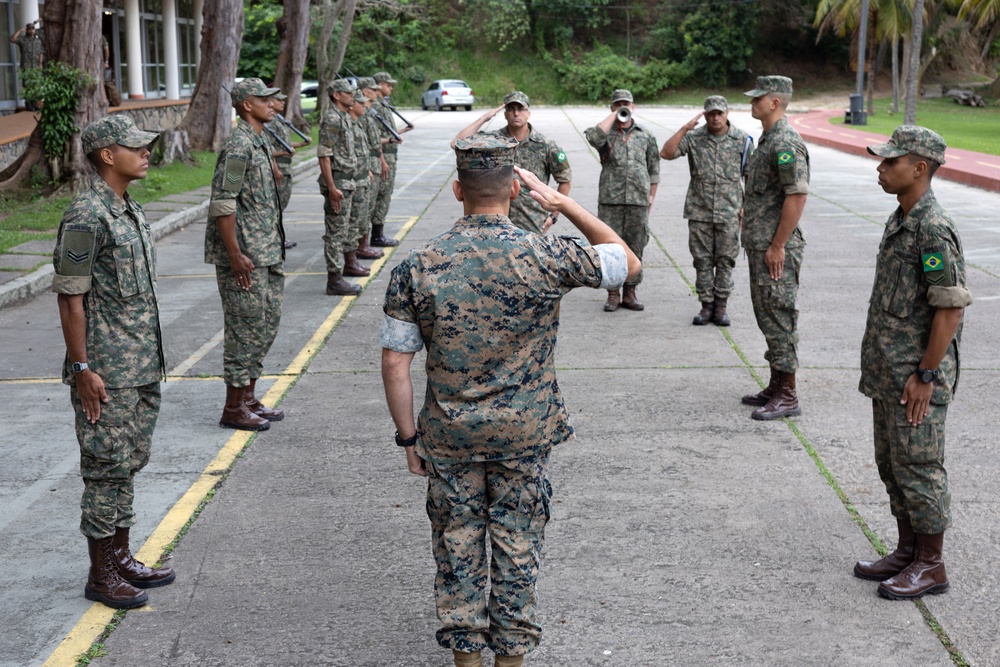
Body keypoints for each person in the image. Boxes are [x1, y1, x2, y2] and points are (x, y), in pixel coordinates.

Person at [379, 134, 640, 667]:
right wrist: (564, 204)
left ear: (458, 190)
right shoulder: (546, 254)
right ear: (517, 189)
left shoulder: (418, 265)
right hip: (525, 433)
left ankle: (468, 660)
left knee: (458, 546)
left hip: (448, 436)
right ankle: (512, 658)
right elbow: (626, 262)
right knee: (518, 546)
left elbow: (394, 362)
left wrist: (409, 438)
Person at [53, 114, 175, 610]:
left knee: (127, 464)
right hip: (106, 371)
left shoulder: (127, 208)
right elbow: (69, 299)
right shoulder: (87, 214)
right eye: (136, 147)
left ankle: (121, 556)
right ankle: (101, 574)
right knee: (104, 469)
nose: (146, 153)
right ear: (107, 155)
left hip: (141, 363)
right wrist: (83, 370)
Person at [853, 126, 971, 601]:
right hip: (890, 372)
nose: (880, 168)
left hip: (916, 377)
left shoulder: (931, 226)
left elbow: (950, 307)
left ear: (919, 168)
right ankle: (907, 550)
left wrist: (926, 374)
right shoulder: (901, 218)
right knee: (893, 465)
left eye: (889, 161)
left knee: (920, 467)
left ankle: (931, 564)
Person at [206, 78, 287, 431]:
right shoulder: (239, 146)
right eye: (263, 99)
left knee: (265, 325)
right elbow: (224, 204)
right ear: (245, 105)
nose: (272, 104)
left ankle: (249, 398)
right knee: (244, 329)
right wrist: (235, 255)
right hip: (246, 256)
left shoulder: (260, 140)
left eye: (272, 98)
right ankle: (233, 408)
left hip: (266, 249)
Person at [739, 75, 809, 420]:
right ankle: (776, 383)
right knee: (767, 314)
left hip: (775, 248)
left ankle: (788, 394)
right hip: (760, 244)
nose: (752, 103)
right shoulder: (768, 139)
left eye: (757, 98)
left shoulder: (785, 143)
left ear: (775, 102)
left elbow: (797, 194)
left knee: (780, 316)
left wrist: (778, 244)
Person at [660, 96, 753, 326]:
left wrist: (745, 208)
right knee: (702, 260)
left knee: (725, 260)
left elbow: (751, 176)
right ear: (705, 114)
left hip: (729, 211)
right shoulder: (694, 138)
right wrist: (684, 128)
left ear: (727, 113)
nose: (716, 117)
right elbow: (666, 153)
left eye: (720, 113)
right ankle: (706, 305)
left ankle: (721, 306)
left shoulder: (742, 140)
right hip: (699, 211)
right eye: (711, 113)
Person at [451, 91, 572, 234]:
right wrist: (484, 118)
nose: (516, 113)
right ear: (505, 113)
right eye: (511, 109)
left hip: (530, 223)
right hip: (493, 223)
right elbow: (457, 143)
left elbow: (565, 180)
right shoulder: (493, 140)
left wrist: (553, 215)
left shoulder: (545, 145)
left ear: (528, 113)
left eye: (520, 109)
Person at [584, 88, 660, 312]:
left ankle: (630, 292)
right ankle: (613, 293)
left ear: (634, 107)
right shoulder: (606, 133)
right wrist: (613, 117)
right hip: (611, 200)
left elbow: (654, 170)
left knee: (636, 246)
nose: (622, 107)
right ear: (612, 107)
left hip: (638, 201)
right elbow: (592, 137)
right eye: (618, 104)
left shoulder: (645, 135)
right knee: (610, 247)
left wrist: (651, 198)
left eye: (626, 104)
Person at [317, 78, 364, 296]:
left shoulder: (344, 117)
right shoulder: (332, 119)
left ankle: (343, 271)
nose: (352, 95)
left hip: (348, 181)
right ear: (336, 95)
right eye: (348, 92)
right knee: (335, 233)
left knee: (344, 229)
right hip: (339, 183)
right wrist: (332, 186)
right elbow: (324, 155)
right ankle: (334, 280)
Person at [369, 70, 413, 247]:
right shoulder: (376, 108)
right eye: (388, 85)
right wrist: (382, 160)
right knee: (379, 197)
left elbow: (386, 134)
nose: (391, 88)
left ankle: (377, 234)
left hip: (390, 156)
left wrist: (400, 132)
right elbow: (374, 138)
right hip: (384, 158)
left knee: (384, 196)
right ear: (379, 85)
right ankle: (375, 236)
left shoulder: (383, 105)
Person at [266, 92, 311, 250]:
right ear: (270, 101)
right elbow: (267, 148)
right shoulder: (270, 123)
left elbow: (283, 143)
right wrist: (276, 168)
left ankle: (278, 237)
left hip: (286, 167)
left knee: (281, 205)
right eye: (279, 100)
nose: (282, 103)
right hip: (279, 168)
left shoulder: (278, 120)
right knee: (276, 206)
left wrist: (300, 145)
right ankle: (274, 239)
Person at [356, 77, 387, 261]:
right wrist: (367, 166)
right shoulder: (362, 115)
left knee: (371, 204)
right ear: (365, 91)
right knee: (365, 209)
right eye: (373, 89)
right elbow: (362, 145)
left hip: (375, 163)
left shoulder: (369, 113)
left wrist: (382, 160)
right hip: (367, 166)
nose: (377, 92)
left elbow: (374, 143)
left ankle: (365, 244)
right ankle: (361, 246)